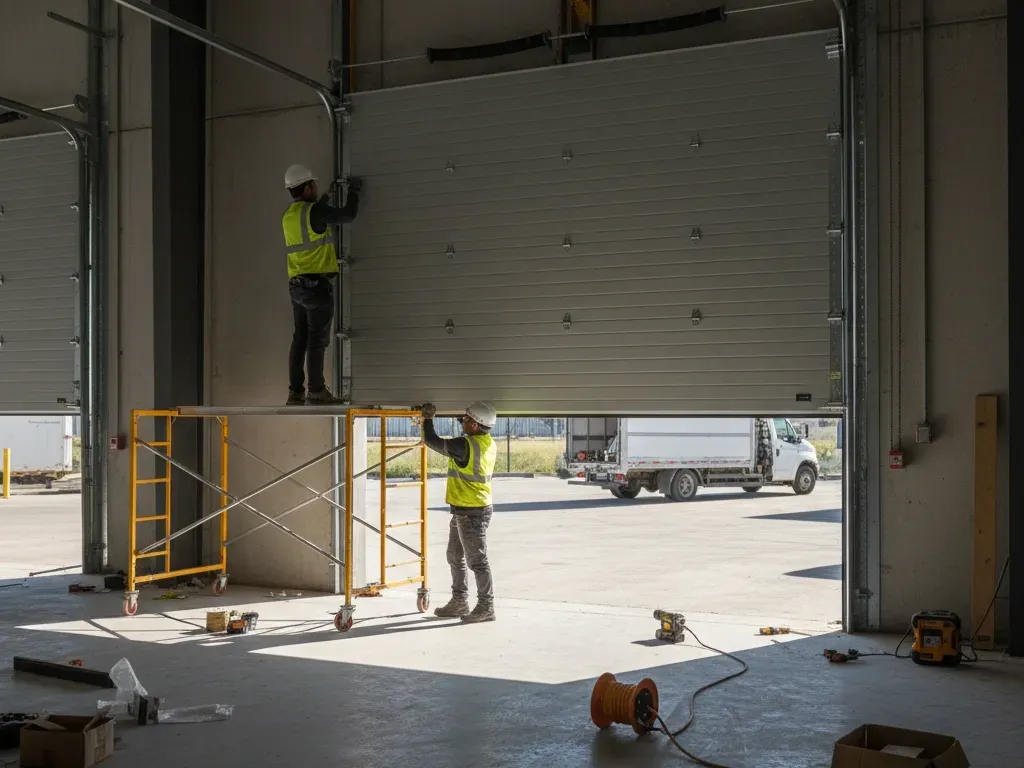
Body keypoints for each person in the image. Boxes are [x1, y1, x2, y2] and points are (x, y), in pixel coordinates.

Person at [281, 164, 361, 406]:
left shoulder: (289, 215)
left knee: (300, 338)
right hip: (316, 288)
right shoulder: (315, 211)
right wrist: (354, 191)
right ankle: (316, 390)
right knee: (317, 340)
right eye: (313, 184)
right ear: (307, 187)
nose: (315, 187)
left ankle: (295, 393)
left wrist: (327, 198)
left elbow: (312, 220)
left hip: (296, 286)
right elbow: (347, 215)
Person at [420, 401, 498, 623]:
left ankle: (486, 607)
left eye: (465, 419)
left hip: (472, 512)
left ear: (474, 425)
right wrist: (462, 416)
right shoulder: (486, 441)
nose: (462, 421)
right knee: (454, 555)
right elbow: (468, 431)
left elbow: (431, 441)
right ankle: (459, 601)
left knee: (477, 561)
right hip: (465, 509)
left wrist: (428, 419)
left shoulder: (465, 446)